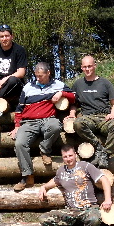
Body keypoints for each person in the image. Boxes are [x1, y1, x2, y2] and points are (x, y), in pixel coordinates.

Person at [11, 62, 75, 191]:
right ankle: (27, 176)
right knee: (19, 143)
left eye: (41, 75)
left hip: (48, 119)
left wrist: (62, 93)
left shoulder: (58, 84)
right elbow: (19, 108)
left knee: (55, 126)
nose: (38, 78)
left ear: (48, 73)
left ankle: (45, 149)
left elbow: (74, 96)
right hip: (29, 122)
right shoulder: (28, 87)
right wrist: (17, 126)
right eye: (36, 75)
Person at [38, 144, 112, 226]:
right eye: (65, 157)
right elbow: (54, 181)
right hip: (71, 211)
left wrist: (108, 200)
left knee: (95, 218)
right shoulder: (61, 171)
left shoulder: (86, 166)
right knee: (44, 219)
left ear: (75, 155)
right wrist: (43, 187)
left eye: (70, 155)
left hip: (89, 208)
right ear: (62, 158)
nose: (68, 159)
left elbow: (104, 180)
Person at [65, 55, 114, 169]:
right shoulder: (78, 84)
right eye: (85, 67)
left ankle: (105, 154)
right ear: (81, 68)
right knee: (78, 123)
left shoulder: (105, 83)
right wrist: (72, 114)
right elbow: (74, 104)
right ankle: (99, 147)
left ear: (95, 66)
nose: (87, 69)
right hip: (88, 118)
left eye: (89, 66)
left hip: (104, 118)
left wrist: (112, 114)